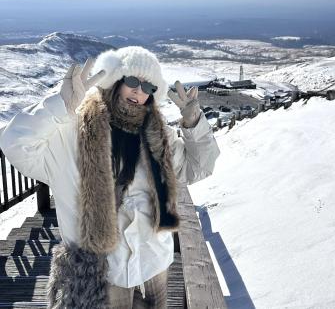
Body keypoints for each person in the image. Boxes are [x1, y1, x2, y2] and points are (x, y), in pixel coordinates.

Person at [0, 46, 220, 309]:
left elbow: (199, 167)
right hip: (102, 272)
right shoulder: (70, 131)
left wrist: (194, 122)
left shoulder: (159, 136)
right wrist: (60, 106)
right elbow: (15, 143)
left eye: (148, 87)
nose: (139, 92)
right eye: (132, 82)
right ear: (115, 80)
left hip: (153, 264)